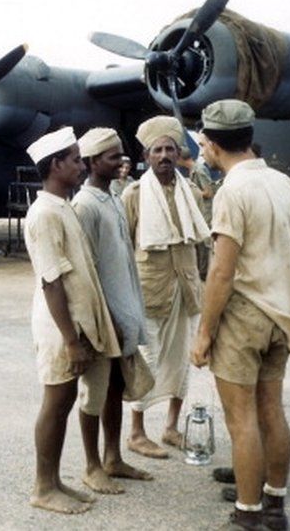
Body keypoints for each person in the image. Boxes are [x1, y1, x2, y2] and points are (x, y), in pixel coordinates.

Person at [191, 100, 290, 531]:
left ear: (212, 145)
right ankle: (274, 506)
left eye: (203, 140)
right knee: (271, 411)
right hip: (282, 313)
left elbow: (222, 271)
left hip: (245, 315)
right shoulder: (283, 182)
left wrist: (204, 332)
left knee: (240, 418)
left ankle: (247, 516)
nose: (202, 147)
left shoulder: (232, 191)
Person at [23, 126, 123, 515]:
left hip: (74, 323)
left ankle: (55, 481)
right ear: (55, 165)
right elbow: (51, 283)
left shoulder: (61, 206)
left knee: (63, 403)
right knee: (56, 402)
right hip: (59, 326)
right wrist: (70, 339)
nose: (82, 166)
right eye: (76, 160)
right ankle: (43, 487)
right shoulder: (45, 214)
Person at [122, 115, 210, 459]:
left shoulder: (191, 192)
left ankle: (172, 427)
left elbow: (200, 243)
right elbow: (126, 247)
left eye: (169, 149)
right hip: (150, 291)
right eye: (157, 150)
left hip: (185, 290)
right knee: (148, 359)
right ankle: (137, 432)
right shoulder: (134, 194)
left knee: (182, 361)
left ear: (178, 153)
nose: (163, 156)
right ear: (147, 157)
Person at [71, 127, 154, 494]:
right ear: (91, 163)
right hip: (103, 321)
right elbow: (85, 272)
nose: (120, 161)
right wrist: (102, 321)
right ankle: (91, 466)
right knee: (95, 391)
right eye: (111, 156)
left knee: (116, 387)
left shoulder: (113, 198)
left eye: (121, 154)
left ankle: (113, 458)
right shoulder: (85, 205)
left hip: (122, 316)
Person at [179, 148, 215, 280]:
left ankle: (204, 273)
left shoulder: (199, 170)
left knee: (204, 243)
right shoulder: (193, 171)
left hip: (205, 212)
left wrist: (191, 192)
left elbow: (208, 192)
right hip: (199, 212)